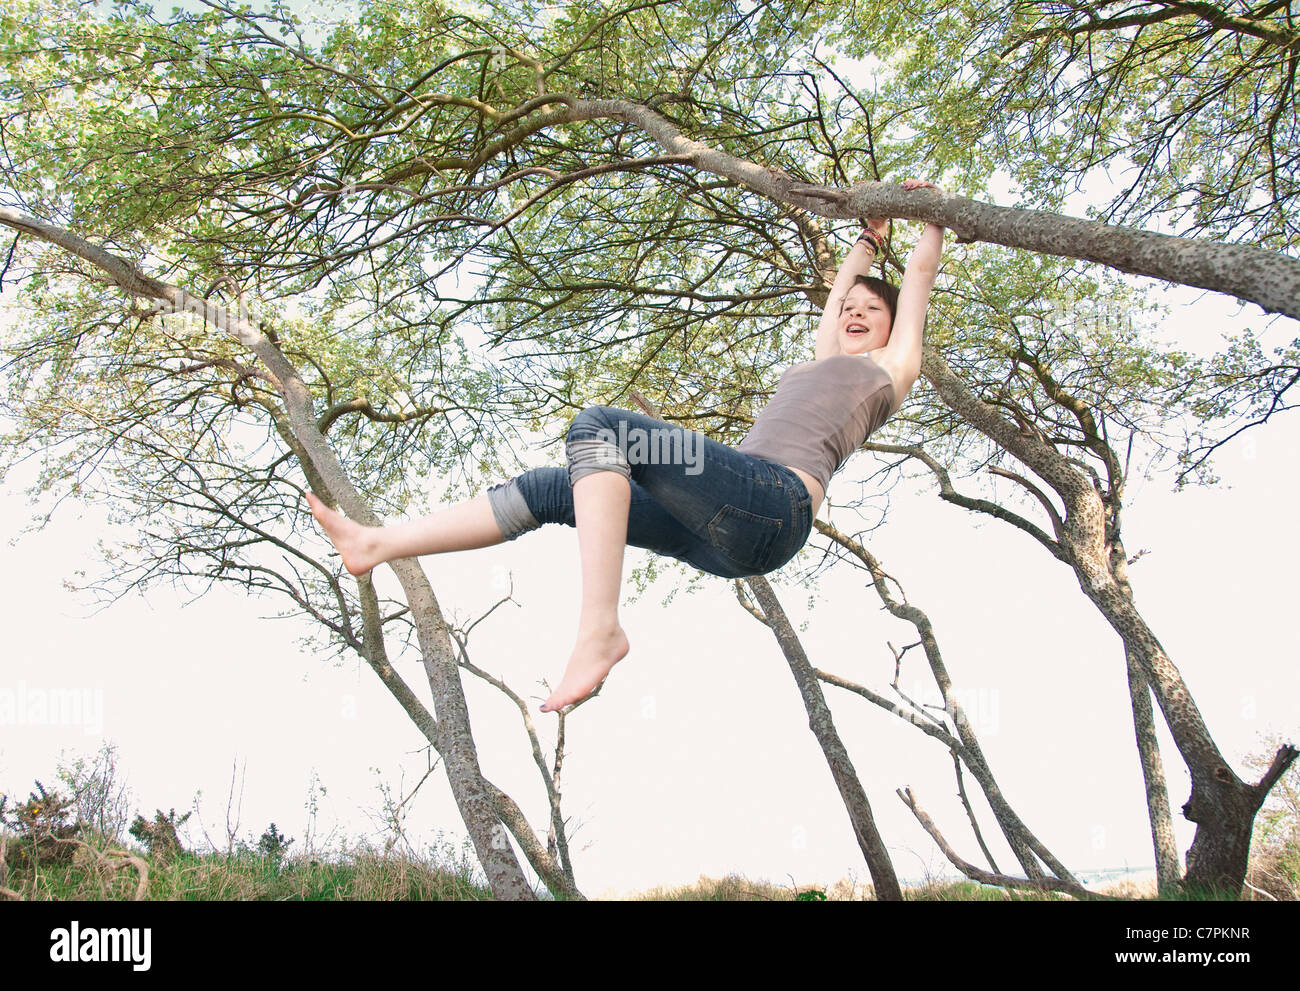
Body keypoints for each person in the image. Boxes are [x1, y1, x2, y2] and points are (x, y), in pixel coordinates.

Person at [306, 179, 946, 713]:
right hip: (721, 532)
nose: (854, 312)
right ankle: (374, 543)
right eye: (849, 309)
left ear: (892, 329)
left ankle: (599, 629)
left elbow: (918, 276)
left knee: (603, 428)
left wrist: (928, 218)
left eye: (871, 310)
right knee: (549, 488)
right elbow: (836, 293)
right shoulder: (821, 357)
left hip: (775, 504)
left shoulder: (893, 369)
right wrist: (868, 239)